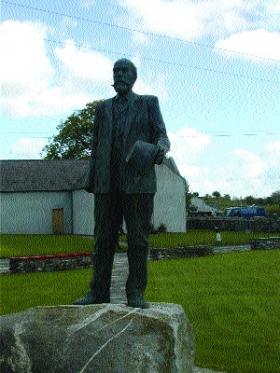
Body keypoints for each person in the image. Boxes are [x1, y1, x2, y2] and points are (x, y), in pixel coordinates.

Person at [74, 58, 170, 308]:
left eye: (124, 71)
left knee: (138, 240)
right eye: (115, 71)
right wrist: (92, 178)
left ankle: (136, 292)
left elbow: (161, 135)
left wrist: (160, 148)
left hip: (138, 183)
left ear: (134, 76)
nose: (119, 75)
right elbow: (95, 147)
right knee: (102, 239)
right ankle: (98, 292)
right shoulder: (102, 109)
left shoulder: (148, 103)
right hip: (107, 184)